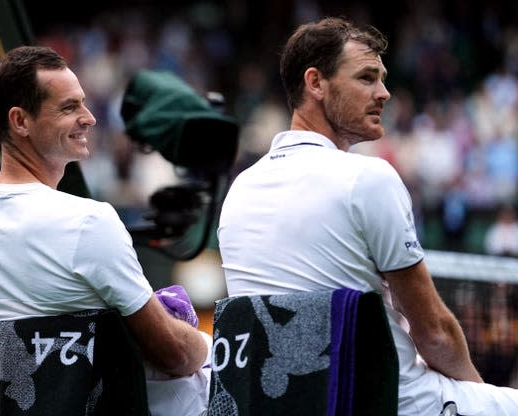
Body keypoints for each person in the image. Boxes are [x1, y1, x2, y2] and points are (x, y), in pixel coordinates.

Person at [217, 17, 518, 415]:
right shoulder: (368, 178)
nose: (384, 93)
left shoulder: (239, 190)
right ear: (315, 83)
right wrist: (480, 397)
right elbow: (435, 334)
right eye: (367, 78)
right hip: (389, 401)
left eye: (382, 78)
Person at [0, 45, 209, 415]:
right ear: (20, 121)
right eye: (69, 107)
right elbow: (175, 354)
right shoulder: (88, 221)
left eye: (83, 103)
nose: (89, 118)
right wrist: (203, 343)